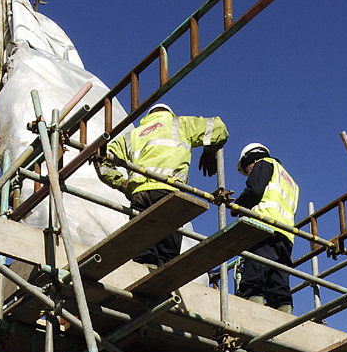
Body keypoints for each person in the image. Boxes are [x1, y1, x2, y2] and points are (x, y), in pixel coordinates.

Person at [97, 103, 228, 267]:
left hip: (139, 194)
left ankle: (143, 276)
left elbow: (101, 159)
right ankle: (163, 283)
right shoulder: (180, 124)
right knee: (167, 252)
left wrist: (122, 184)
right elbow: (219, 128)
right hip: (168, 190)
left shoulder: (132, 135)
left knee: (143, 250)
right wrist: (208, 153)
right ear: (169, 113)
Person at [231, 143, 299, 314]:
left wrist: (237, 206)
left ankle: (252, 309)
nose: (249, 173)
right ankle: (284, 313)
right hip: (286, 234)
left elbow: (254, 191)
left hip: (264, 226)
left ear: (252, 160)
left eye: (248, 170)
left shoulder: (264, 164)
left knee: (255, 268)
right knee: (278, 276)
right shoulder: (290, 181)